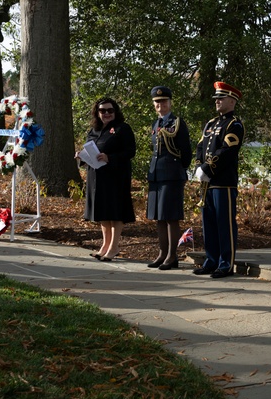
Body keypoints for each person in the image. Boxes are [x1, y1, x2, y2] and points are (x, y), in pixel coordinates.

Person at [192, 81, 245, 278]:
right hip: (207, 182)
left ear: (232, 101)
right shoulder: (211, 124)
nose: (217, 101)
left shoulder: (234, 124)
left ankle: (225, 264)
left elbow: (228, 150)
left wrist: (208, 168)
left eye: (221, 98)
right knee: (209, 224)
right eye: (216, 98)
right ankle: (211, 261)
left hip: (223, 181)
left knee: (224, 224)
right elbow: (200, 147)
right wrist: (198, 167)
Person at [76, 98, 137, 261]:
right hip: (97, 177)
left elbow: (131, 151)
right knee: (103, 212)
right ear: (97, 113)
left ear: (115, 112)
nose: (107, 114)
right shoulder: (93, 130)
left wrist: (110, 157)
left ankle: (114, 246)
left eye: (110, 110)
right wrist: (81, 157)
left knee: (115, 212)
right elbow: (89, 150)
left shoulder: (122, 129)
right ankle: (105, 244)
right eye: (103, 111)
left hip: (116, 176)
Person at [146, 86, 192, 270]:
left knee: (171, 216)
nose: (160, 105)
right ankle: (162, 253)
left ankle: (172, 256)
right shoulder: (155, 124)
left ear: (170, 102)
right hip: (156, 174)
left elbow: (186, 152)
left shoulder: (177, 123)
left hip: (172, 175)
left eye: (163, 101)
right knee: (159, 217)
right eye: (157, 102)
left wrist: (178, 170)